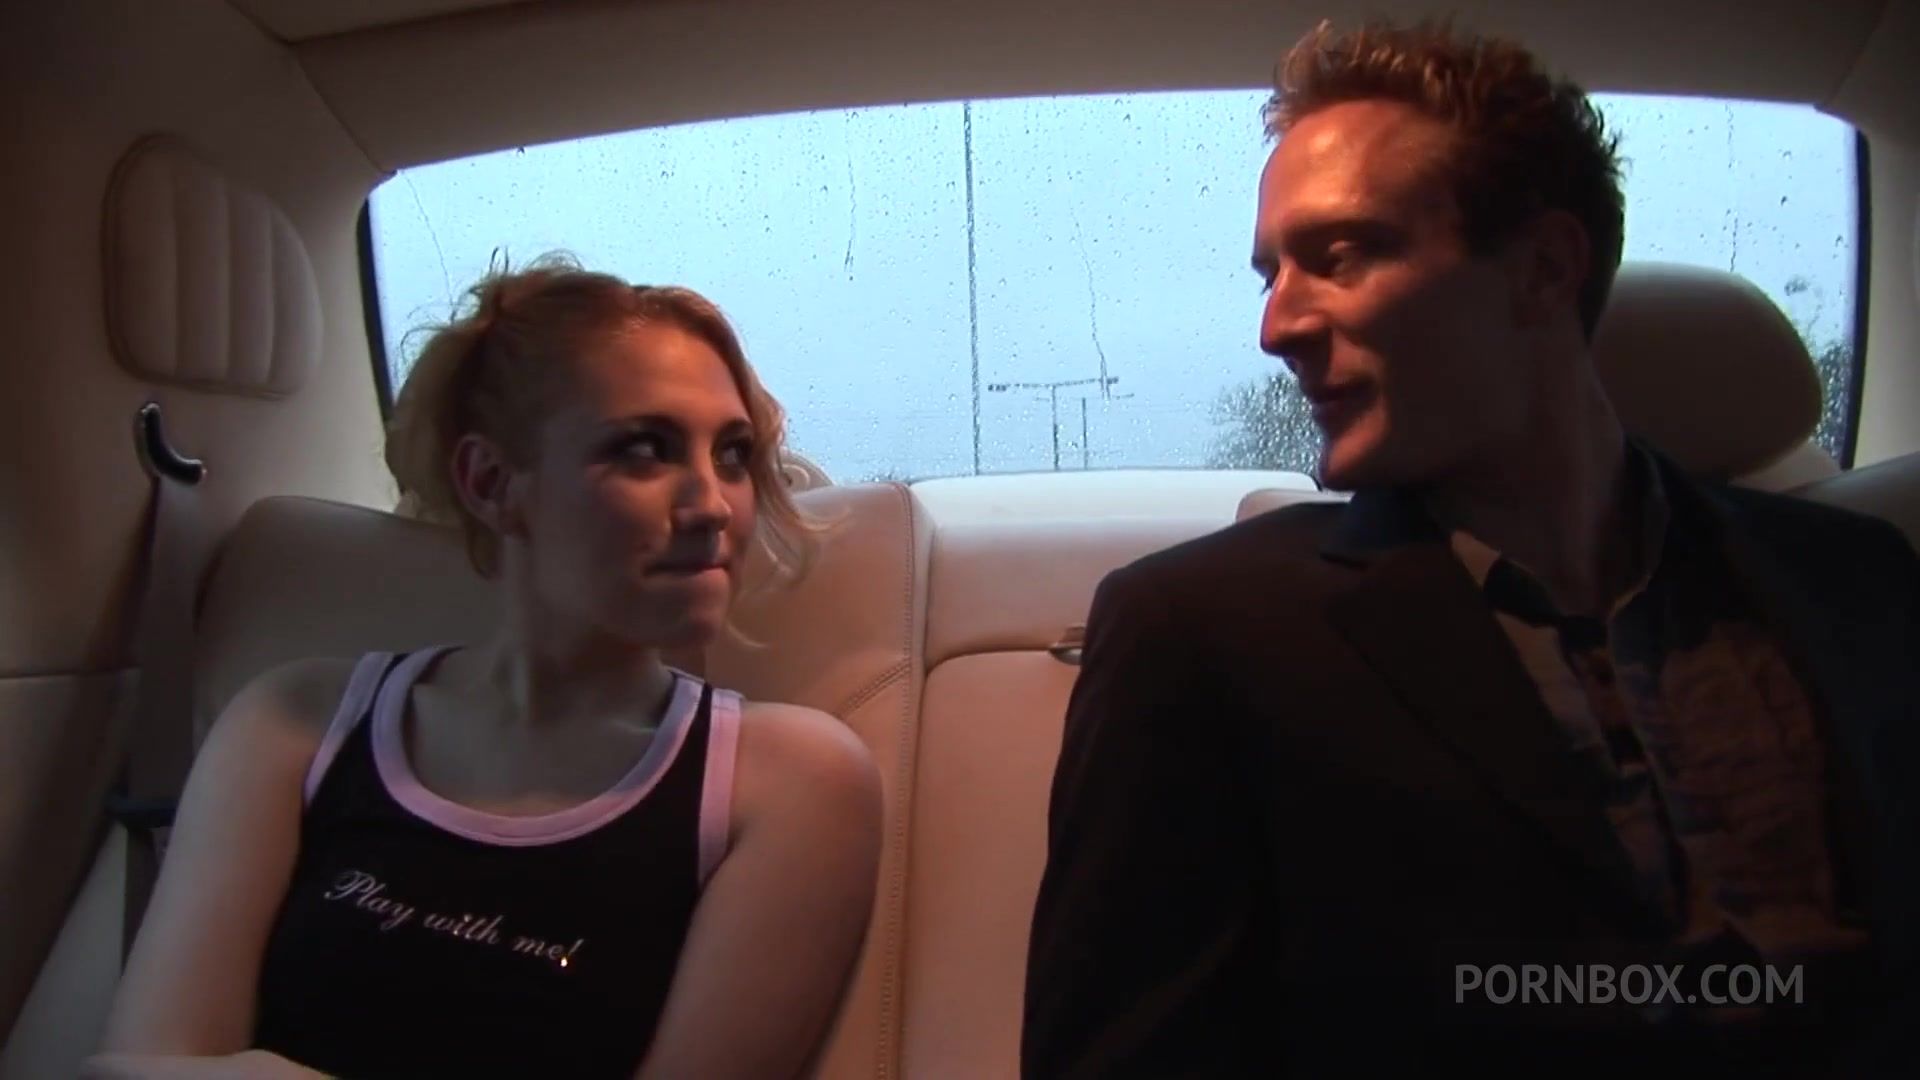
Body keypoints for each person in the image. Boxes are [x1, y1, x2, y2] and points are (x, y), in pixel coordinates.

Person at [1021, 19, 1918, 1079]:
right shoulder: (1201, 636)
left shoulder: (1859, 580)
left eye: (1340, 256)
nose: (1277, 327)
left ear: (1544, 268)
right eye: (1270, 274)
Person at [88, 255, 884, 1079]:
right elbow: (135, 1068)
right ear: (492, 481)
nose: (712, 504)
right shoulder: (297, 725)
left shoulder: (784, 781)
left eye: (733, 454)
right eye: (645, 450)